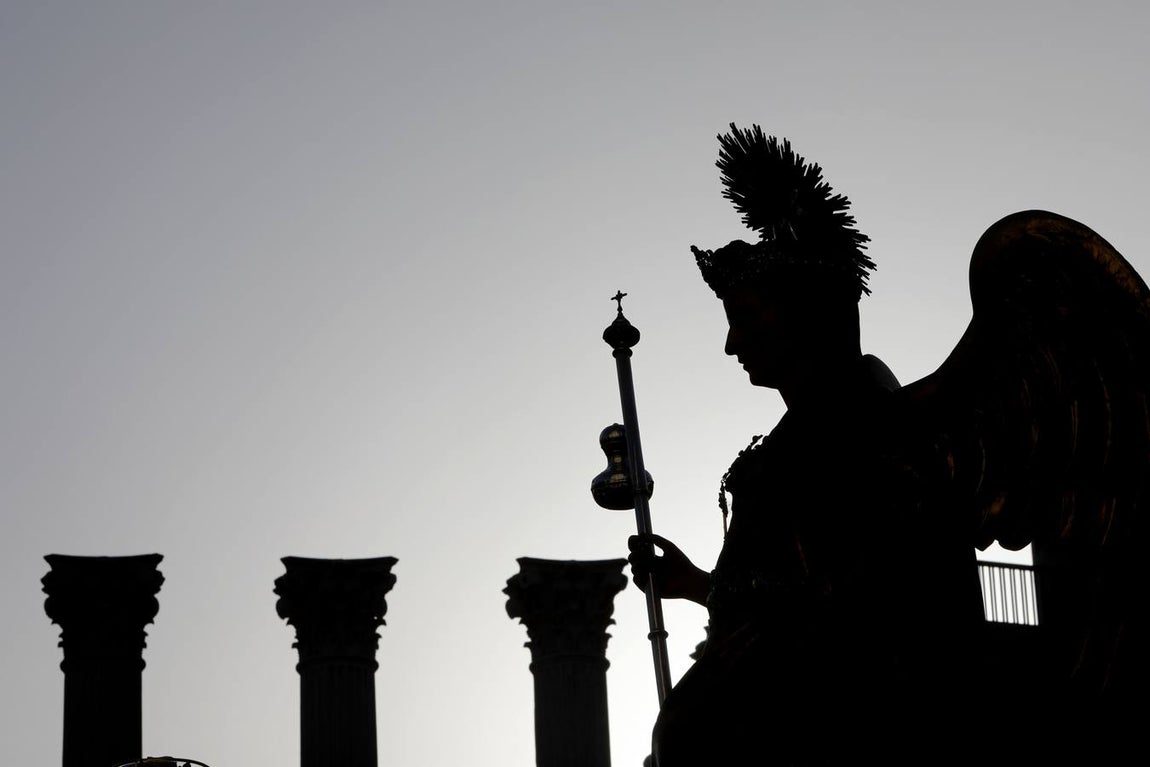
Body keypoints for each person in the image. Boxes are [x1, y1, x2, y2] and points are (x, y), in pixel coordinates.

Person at [629, 126, 983, 765]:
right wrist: (698, 585)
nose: (732, 346)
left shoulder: (872, 432)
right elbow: (797, 595)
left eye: (745, 322)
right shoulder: (814, 438)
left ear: (803, 317)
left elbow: (853, 608)